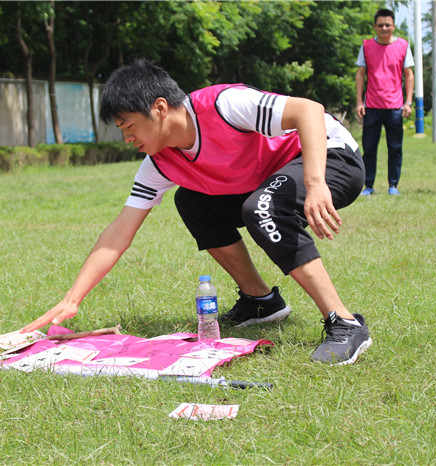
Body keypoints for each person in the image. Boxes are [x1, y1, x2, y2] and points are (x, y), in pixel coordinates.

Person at [20, 59, 372, 365]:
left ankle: (345, 323)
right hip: (270, 179)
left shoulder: (224, 105)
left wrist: (315, 183)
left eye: (129, 126)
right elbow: (120, 232)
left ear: (159, 108)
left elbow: (308, 110)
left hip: (329, 155)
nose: (127, 138)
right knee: (192, 202)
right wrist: (72, 299)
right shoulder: (158, 164)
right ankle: (261, 302)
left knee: (262, 206)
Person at [355, 8, 415, 196]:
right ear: (374, 26)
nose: (384, 28)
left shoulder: (403, 46)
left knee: (395, 148)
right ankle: (369, 185)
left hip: (395, 106)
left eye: (387, 25)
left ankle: (393, 185)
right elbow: (360, 74)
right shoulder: (366, 46)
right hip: (372, 106)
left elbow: (409, 75)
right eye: (380, 25)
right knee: (369, 148)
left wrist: (408, 102)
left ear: (393, 26)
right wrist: (359, 101)